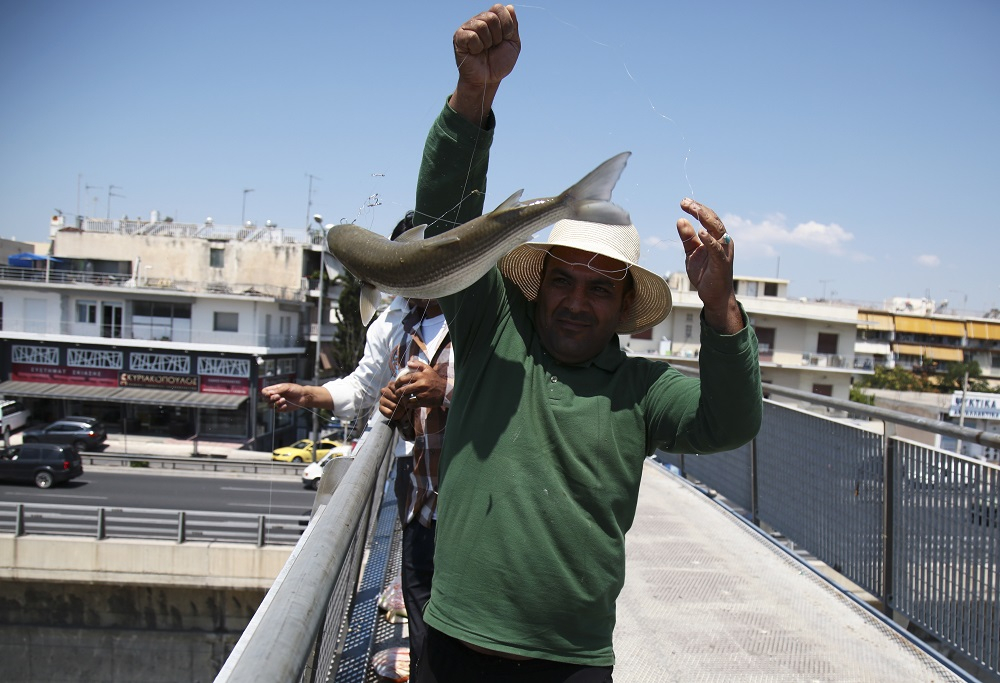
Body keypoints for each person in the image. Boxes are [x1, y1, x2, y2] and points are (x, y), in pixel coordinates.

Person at [407, 5, 763, 682]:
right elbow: (446, 224)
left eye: (600, 288)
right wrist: (473, 95)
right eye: (562, 279)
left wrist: (721, 308)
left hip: (571, 666)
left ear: (627, 306)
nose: (575, 299)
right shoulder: (492, 326)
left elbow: (732, 420)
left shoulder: (642, 391)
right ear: (536, 283)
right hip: (452, 646)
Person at [377, 298, 453, 680]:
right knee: (422, 637)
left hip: (467, 519)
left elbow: (511, 397)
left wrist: (445, 388)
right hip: (421, 511)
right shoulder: (406, 334)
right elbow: (414, 431)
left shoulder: (481, 323)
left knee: (458, 643)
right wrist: (397, 410)